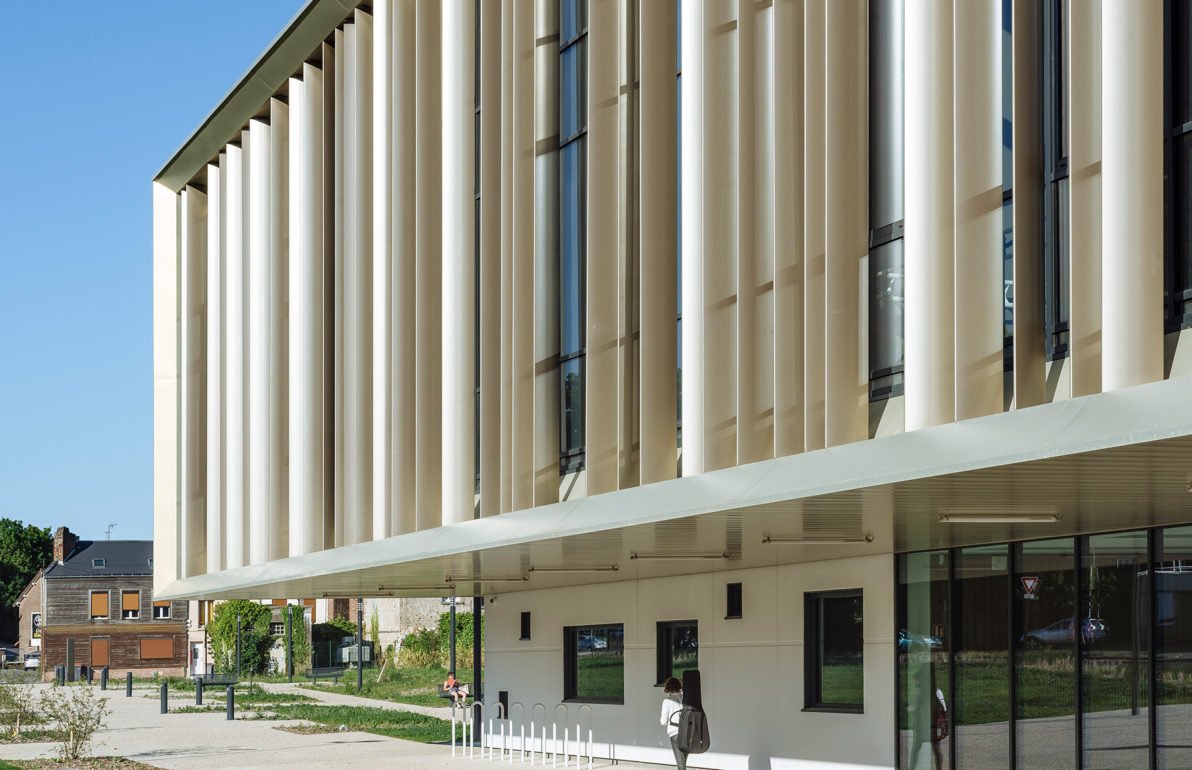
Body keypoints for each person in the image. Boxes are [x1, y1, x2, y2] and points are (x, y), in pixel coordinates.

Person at [660, 676, 687, 770]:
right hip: (687, 732)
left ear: (668, 688)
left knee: (680, 763)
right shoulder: (685, 698)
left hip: (674, 732)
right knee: (683, 761)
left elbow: (663, 722)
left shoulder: (667, 701)